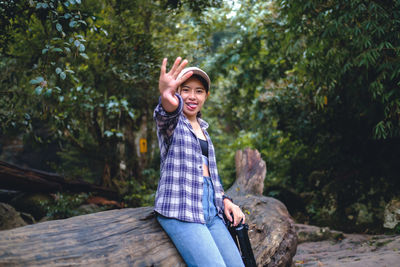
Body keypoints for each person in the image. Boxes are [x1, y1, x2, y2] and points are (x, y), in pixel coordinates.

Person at [154, 57, 246, 267]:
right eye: (185, 89)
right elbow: (166, 111)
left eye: (199, 91)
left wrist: (226, 200)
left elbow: (209, 175)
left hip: (211, 211)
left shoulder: (204, 130)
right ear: (177, 91)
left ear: (206, 95)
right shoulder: (173, 122)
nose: (192, 96)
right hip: (181, 210)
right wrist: (166, 95)